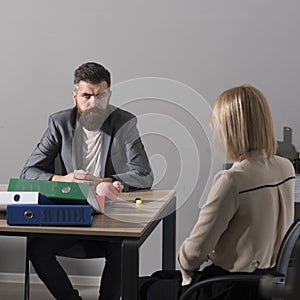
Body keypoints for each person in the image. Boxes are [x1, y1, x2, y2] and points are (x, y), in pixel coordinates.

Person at [139, 84, 295, 300]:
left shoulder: (232, 180)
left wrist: (190, 256)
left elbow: (192, 255)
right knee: (161, 276)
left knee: (141, 286)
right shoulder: (285, 167)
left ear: (230, 130)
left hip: (229, 288)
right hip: (268, 283)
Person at [20, 62, 154, 300]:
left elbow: (144, 174)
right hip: (70, 215)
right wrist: (64, 179)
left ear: (109, 95)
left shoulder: (125, 122)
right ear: (75, 96)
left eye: (100, 96)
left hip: (109, 217)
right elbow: (29, 171)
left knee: (123, 248)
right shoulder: (59, 124)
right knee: (37, 248)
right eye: (86, 96)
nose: (93, 103)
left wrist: (107, 181)